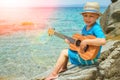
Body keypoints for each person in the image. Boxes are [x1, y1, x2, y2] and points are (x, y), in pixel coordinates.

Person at [45, 2, 106, 80]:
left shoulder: (96, 28)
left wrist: (86, 42)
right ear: (83, 16)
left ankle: (54, 74)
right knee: (69, 49)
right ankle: (64, 68)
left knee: (64, 52)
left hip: (89, 59)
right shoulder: (85, 27)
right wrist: (71, 42)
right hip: (87, 57)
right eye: (85, 16)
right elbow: (80, 43)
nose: (88, 18)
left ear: (97, 17)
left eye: (91, 16)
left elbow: (103, 41)